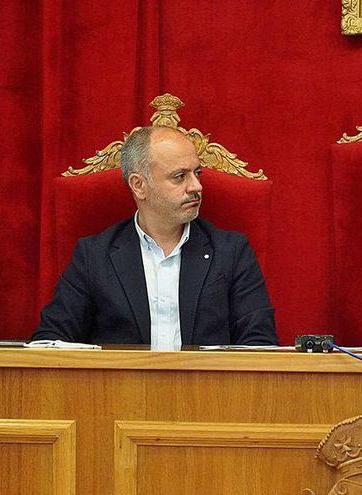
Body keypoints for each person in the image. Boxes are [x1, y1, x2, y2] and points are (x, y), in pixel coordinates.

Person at [33, 126, 277, 347]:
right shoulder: (94, 256)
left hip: (208, 392)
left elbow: (259, 345)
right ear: (139, 185)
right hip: (121, 392)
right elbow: (50, 341)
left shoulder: (231, 252)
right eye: (180, 177)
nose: (196, 187)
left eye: (197, 173)